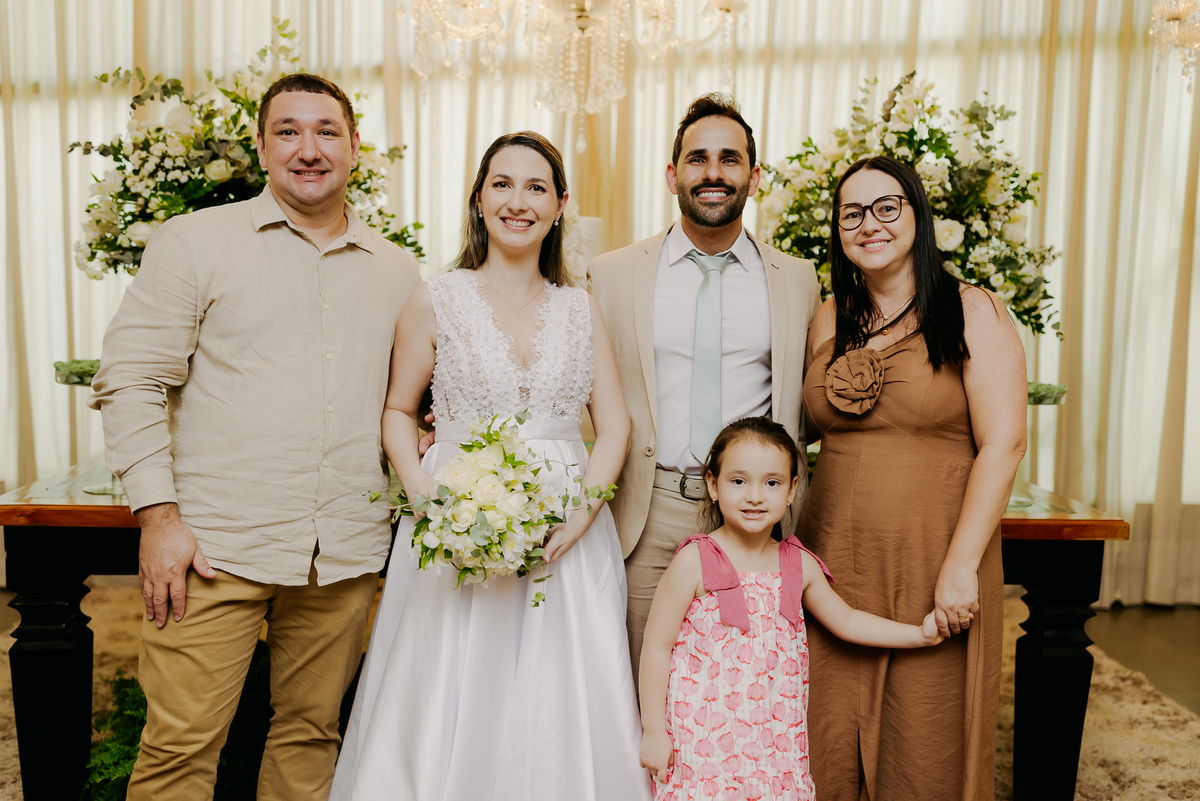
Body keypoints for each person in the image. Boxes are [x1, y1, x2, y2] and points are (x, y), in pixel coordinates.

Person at [87, 73, 421, 800]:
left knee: (312, 737)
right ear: (262, 148)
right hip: (214, 548)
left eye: (327, 131)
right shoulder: (195, 242)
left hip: (343, 552)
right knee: (178, 749)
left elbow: (408, 402)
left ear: (355, 147)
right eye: (288, 132)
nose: (309, 149)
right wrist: (159, 520)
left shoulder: (399, 271)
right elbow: (131, 378)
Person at [330, 132, 651, 801]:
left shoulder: (581, 307)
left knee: (560, 692)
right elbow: (398, 410)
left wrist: (581, 515)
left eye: (536, 187)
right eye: (502, 184)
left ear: (560, 205)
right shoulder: (436, 298)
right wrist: (426, 495)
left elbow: (615, 425)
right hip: (455, 520)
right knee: (450, 686)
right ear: (478, 199)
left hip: (567, 531)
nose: (518, 201)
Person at [797, 155, 1027, 800]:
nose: (869, 224)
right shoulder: (829, 315)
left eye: (886, 207)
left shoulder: (972, 310)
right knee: (822, 733)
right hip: (830, 556)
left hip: (933, 552)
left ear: (918, 216)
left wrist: (960, 566)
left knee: (926, 734)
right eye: (851, 213)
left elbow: (1005, 444)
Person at [588, 93, 821, 680]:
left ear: (754, 177)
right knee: (639, 679)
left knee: (746, 684)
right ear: (672, 176)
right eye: (698, 159)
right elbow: (575, 383)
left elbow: (812, 394)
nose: (713, 173)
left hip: (756, 515)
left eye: (729, 159)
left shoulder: (797, 279)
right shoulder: (612, 274)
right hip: (648, 510)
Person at [638, 416, 945, 799]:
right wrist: (654, 732)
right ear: (713, 486)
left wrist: (919, 635)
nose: (755, 496)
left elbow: (847, 620)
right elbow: (657, 647)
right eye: (738, 481)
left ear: (792, 489)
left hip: (775, 744)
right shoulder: (694, 561)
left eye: (772, 483)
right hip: (701, 742)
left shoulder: (798, 564)